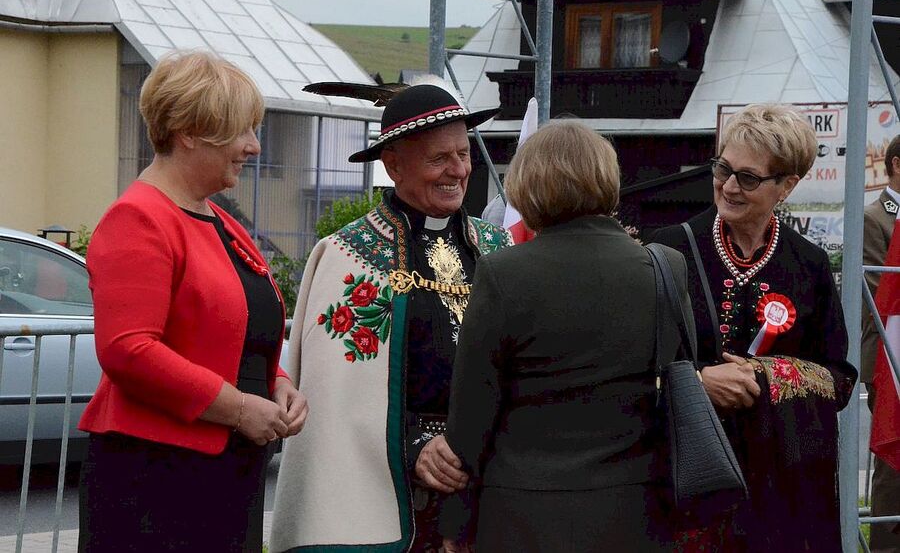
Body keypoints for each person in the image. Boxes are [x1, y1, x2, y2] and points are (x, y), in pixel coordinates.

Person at [77, 50, 308, 552]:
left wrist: (278, 382)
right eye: (240, 130)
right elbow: (128, 349)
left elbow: (242, 328)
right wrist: (241, 407)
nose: (253, 145)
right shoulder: (138, 218)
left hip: (226, 472)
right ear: (188, 132)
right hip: (156, 479)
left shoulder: (218, 219)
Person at [270, 82, 511, 553]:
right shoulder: (346, 258)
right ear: (393, 165)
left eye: (464, 154)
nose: (458, 170)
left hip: (493, 489)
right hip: (393, 489)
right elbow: (334, 401)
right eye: (439, 158)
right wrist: (414, 445)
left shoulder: (500, 250)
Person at [438, 120, 681, 552]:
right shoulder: (665, 268)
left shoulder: (502, 273)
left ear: (528, 186)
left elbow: (472, 415)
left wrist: (457, 524)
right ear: (607, 178)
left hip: (522, 516)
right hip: (636, 511)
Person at [653, 103, 858, 552]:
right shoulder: (668, 252)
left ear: (787, 186)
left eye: (748, 177)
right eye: (722, 168)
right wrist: (698, 381)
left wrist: (765, 375)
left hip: (782, 495)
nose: (728, 186)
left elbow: (840, 381)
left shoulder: (809, 264)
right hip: (691, 489)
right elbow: (627, 370)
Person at [863, 135, 900, 552]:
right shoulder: (875, 218)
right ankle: (886, 546)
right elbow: (879, 291)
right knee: (893, 462)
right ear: (895, 164)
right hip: (889, 359)